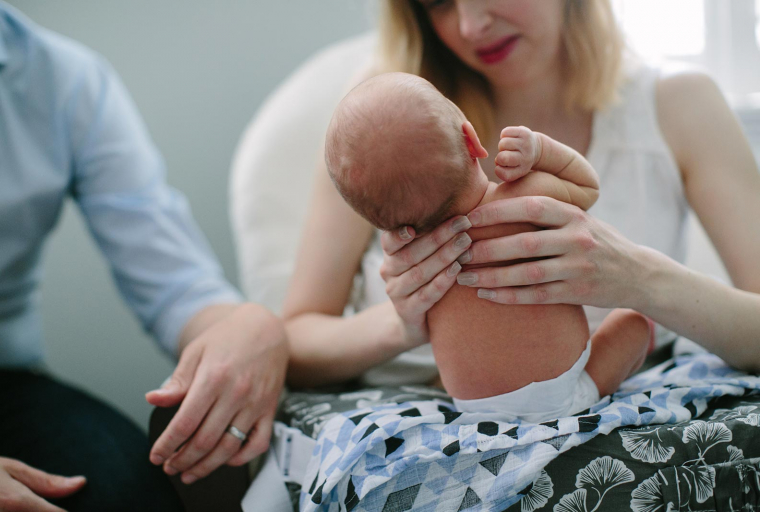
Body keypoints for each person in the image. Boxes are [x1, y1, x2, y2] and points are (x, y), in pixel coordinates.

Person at [283, 0, 760, 397]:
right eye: (438, 3)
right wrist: (402, 323)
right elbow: (296, 346)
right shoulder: (384, 121)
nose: (470, 26)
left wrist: (640, 279)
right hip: (420, 421)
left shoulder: (680, 103)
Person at [0, 3, 287, 511]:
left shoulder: (63, 78)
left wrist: (253, 327)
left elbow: (175, 283)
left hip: (4, 381)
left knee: (130, 494)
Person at [324, 71, 650, 419]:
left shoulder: (419, 265)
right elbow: (587, 188)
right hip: (562, 397)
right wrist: (540, 150)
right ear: (472, 141)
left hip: (474, 408)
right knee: (635, 323)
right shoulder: (526, 198)